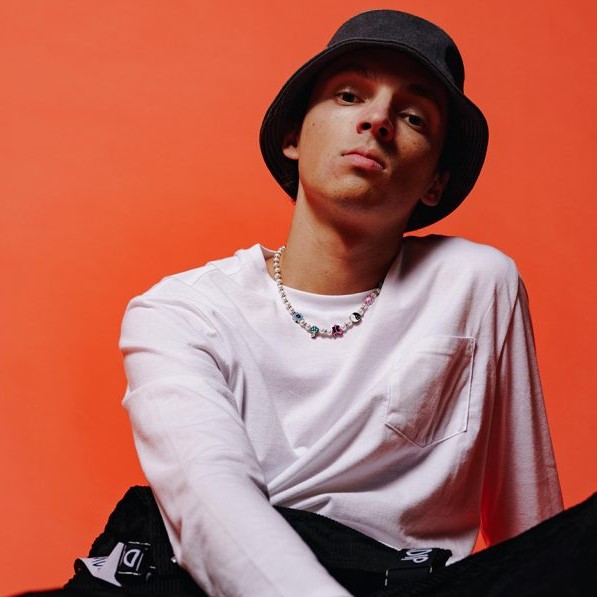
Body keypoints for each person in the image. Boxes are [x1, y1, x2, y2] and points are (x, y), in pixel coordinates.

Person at [118, 9, 562, 597]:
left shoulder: (475, 283)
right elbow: (211, 509)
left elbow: (533, 529)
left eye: (413, 117)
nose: (377, 120)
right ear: (293, 138)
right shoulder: (181, 311)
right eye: (349, 96)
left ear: (435, 181)